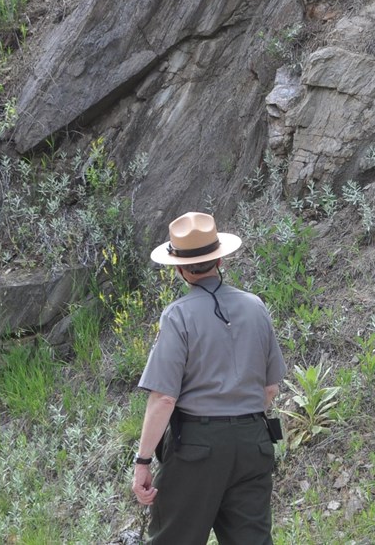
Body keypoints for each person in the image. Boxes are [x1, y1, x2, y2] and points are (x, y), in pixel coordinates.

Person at [131, 211, 287, 545]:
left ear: (179, 268)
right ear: (218, 259)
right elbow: (270, 387)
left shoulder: (177, 316)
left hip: (196, 449)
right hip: (253, 443)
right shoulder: (255, 306)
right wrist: (240, 419)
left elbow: (164, 399)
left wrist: (142, 461)